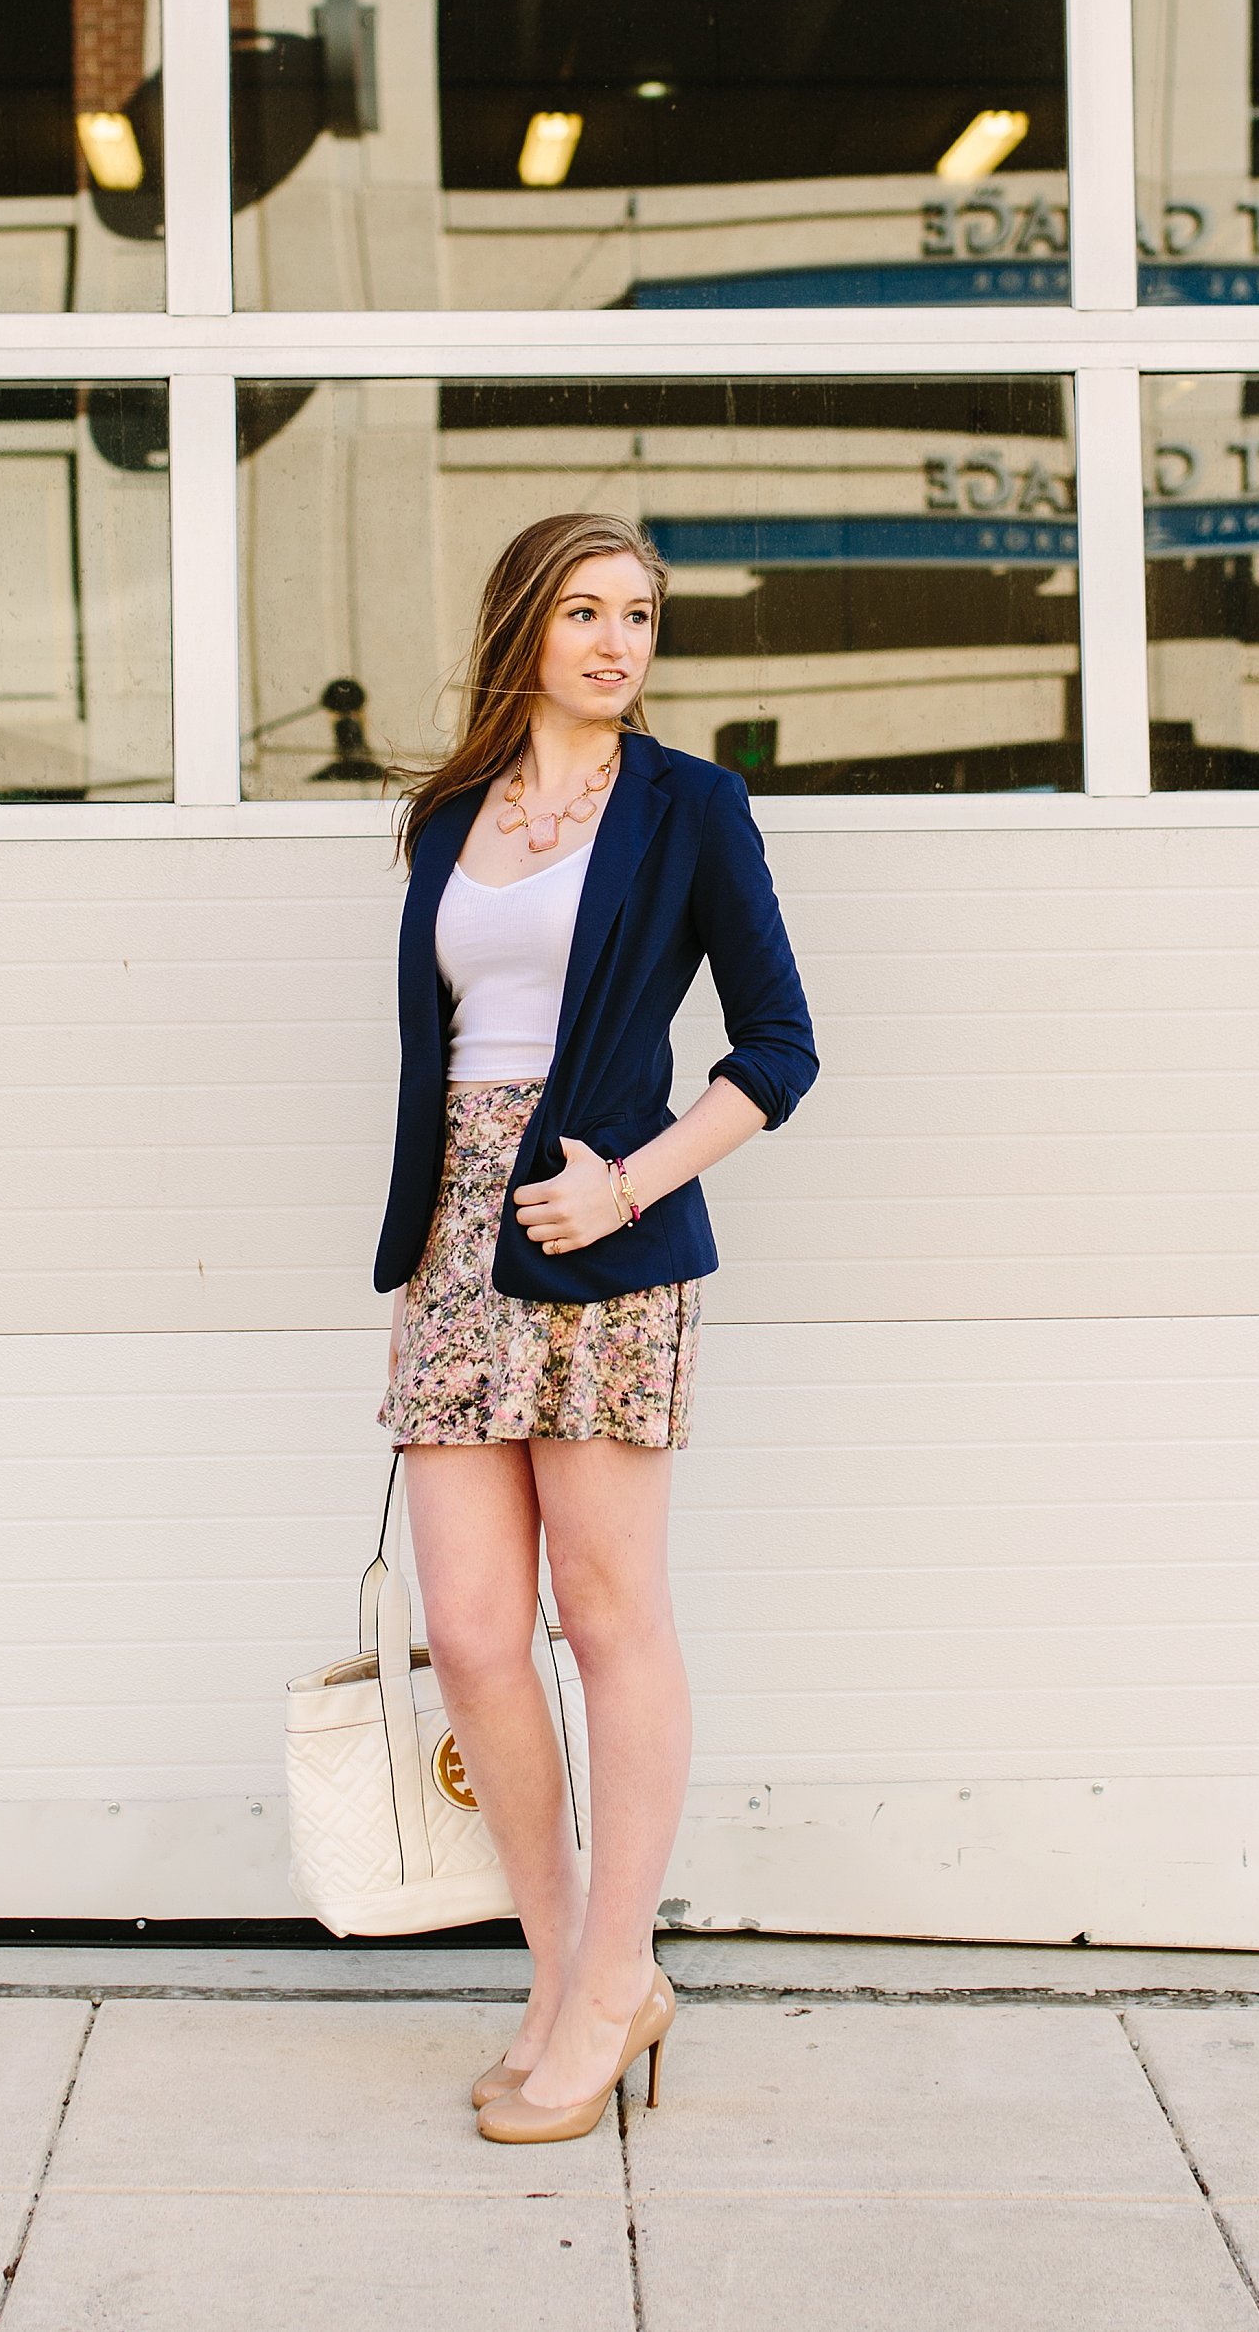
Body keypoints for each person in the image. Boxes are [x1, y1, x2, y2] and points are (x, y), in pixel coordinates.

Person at [372, 511, 817, 2144]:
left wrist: (625, 1186)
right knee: (479, 1633)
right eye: (585, 610)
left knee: (608, 1616)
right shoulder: (444, 817)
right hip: (450, 1248)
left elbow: (778, 1049)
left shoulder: (692, 807)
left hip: (604, 1240)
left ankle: (616, 1960)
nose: (619, 640)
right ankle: (574, 1972)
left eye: (641, 613)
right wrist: (455, 1209)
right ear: (525, 627)